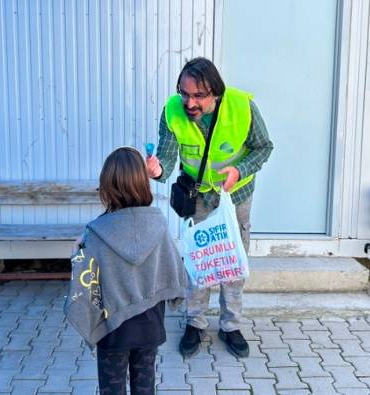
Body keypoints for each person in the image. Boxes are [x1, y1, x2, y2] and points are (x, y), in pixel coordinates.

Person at [145, 57, 274, 358]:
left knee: (232, 263)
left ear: (215, 92)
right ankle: (195, 322)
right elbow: (166, 156)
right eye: (184, 93)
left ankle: (231, 326)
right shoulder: (172, 111)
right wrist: (156, 170)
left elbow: (264, 147)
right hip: (199, 197)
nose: (190, 102)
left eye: (198, 96)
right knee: (198, 262)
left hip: (236, 197)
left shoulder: (243, 108)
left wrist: (240, 170)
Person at [64, 147, 188, 395]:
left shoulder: (95, 233)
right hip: (150, 326)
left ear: (107, 187)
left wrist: (78, 251)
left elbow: (85, 285)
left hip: (112, 329)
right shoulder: (160, 225)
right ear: (143, 184)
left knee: (112, 388)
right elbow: (174, 271)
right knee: (145, 387)